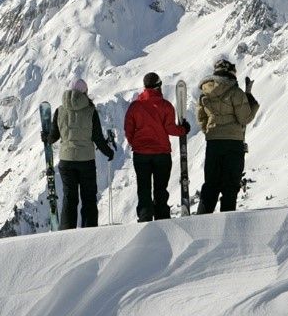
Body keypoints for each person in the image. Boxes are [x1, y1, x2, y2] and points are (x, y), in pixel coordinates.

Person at [44, 78, 115, 229]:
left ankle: (66, 232)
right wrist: (109, 152)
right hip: (86, 161)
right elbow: (97, 138)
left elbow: (53, 137)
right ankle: (89, 232)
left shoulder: (59, 111)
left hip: (66, 160)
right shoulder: (91, 111)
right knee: (88, 199)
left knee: (70, 199)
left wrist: (46, 137)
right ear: (85, 93)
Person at [124, 72, 189, 222]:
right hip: (161, 154)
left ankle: (145, 217)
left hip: (141, 154)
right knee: (160, 189)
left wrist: (135, 143)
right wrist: (184, 129)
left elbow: (128, 129)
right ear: (159, 86)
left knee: (144, 188)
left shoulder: (135, 106)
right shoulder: (165, 105)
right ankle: (162, 217)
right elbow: (170, 129)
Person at [196, 58, 259, 213]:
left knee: (211, 184)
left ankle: (199, 222)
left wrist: (211, 131)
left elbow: (201, 118)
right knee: (230, 186)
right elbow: (245, 118)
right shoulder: (235, 92)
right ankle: (227, 223)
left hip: (213, 143)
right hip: (233, 143)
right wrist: (249, 96)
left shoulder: (205, 92)